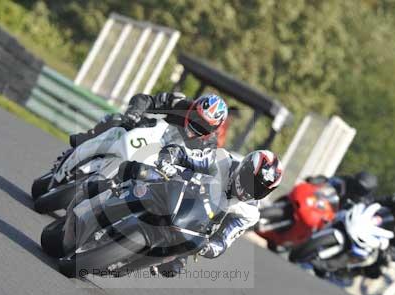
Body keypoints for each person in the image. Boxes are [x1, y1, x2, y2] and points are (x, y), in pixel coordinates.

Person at [137, 144, 283, 276]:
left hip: (191, 226)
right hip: (175, 191)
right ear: (244, 167)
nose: (250, 191)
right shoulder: (221, 160)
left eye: (259, 189)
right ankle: (116, 186)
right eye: (251, 182)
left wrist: (207, 248)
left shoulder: (250, 213)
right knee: (140, 171)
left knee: (173, 268)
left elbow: (224, 239)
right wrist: (167, 160)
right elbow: (183, 154)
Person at [69, 92, 228, 150]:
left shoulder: (209, 146)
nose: (199, 124)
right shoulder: (178, 103)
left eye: (205, 124)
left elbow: (204, 170)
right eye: (196, 116)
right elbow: (146, 100)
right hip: (146, 136)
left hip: (161, 166)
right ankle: (89, 139)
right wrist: (135, 112)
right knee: (118, 120)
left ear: (214, 129)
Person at [306, 171, 378, 209]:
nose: (355, 188)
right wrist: (316, 181)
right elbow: (331, 180)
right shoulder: (346, 180)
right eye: (356, 185)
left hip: (329, 217)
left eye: (359, 188)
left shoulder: (359, 204)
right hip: (320, 201)